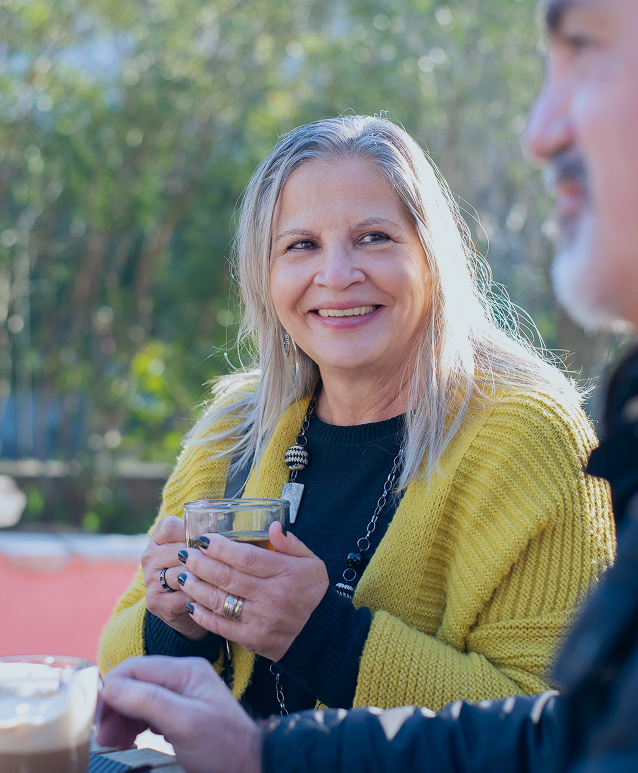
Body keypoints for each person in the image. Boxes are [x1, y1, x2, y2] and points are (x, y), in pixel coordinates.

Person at [97, 1, 638, 771]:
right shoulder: (236, 424)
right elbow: (118, 656)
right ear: (266, 276)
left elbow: (558, 726)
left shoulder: (528, 433)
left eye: (374, 238)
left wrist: (321, 633)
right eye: (302, 245)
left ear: (433, 259)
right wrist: (172, 619)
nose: (337, 275)